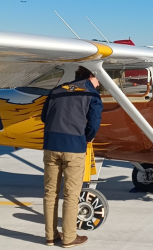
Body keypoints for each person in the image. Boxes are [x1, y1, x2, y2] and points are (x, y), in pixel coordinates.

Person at [41, 66, 103, 247]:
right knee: (71, 195)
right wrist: (86, 138)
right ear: (91, 77)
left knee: (50, 193)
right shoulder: (92, 95)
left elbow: (45, 117)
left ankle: (51, 236)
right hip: (74, 147)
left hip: (51, 145)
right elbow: (94, 124)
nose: (99, 83)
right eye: (98, 79)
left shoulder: (56, 91)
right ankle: (69, 238)